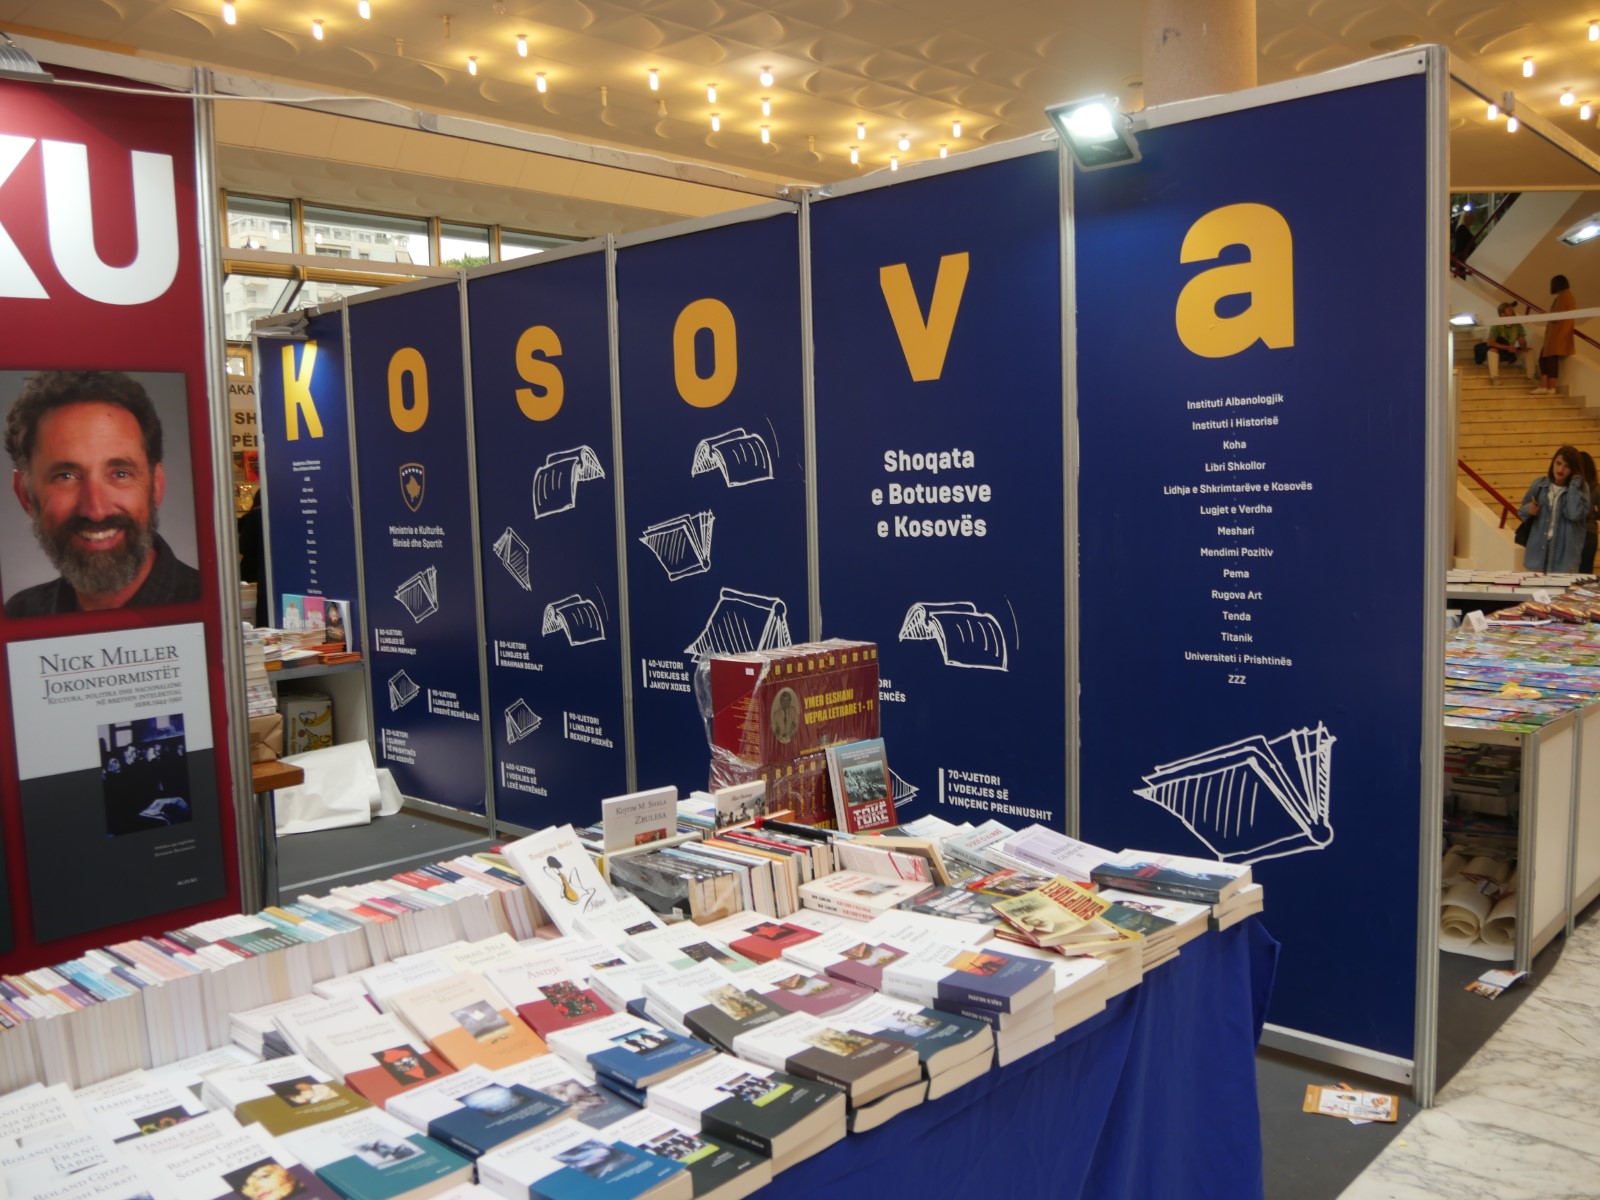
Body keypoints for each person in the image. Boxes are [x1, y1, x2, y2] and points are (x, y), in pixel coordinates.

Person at [4, 370, 200, 615]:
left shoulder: (214, 605)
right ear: (25, 494)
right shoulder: (20, 612)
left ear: (156, 485)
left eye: (120, 473)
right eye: (66, 476)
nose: (96, 510)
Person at [1519, 445, 1590, 573]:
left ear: (1574, 470)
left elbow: (1574, 514)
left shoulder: (1581, 489)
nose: (1560, 469)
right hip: (1536, 555)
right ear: (1553, 463)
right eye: (1558, 463)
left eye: (1567, 466)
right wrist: (1528, 509)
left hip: (1564, 560)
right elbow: (1521, 512)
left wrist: (1574, 485)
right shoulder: (1539, 485)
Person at [1532, 275, 1577, 395]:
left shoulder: (1563, 296)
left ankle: (1548, 386)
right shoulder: (1566, 295)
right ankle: (1546, 386)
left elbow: (1557, 316)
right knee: (1547, 359)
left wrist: (1546, 315)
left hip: (1557, 333)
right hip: (1558, 333)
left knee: (1548, 360)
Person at [1476, 301, 1535, 385]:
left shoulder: (1517, 326)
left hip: (1510, 353)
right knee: (1492, 351)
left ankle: (1530, 378)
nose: (1513, 312)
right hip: (1500, 352)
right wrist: (1507, 347)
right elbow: (1490, 343)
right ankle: (1495, 378)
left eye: (1513, 310)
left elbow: (1522, 342)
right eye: (1510, 310)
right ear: (1502, 314)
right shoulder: (1496, 326)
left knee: (1530, 351)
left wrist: (1523, 345)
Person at [1582, 451, 1600, 575]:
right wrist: (1593, 514)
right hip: (1590, 532)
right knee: (1586, 570)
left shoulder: (1573, 487)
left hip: (1580, 532)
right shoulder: (1596, 487)